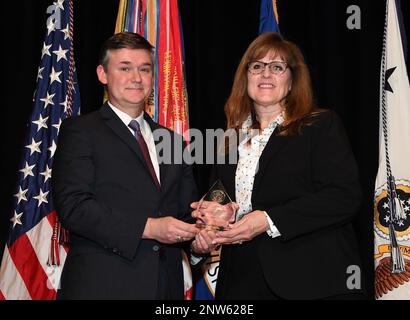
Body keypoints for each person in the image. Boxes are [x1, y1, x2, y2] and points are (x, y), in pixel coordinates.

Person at [191, 32, 363, 300]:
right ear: (245, 76)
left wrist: (268, 220)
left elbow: (344, 197)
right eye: (257, 66)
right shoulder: (228, 139)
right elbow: (222, 203)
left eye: (277, 67)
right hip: (241, 280)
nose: (266, 74)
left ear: (293, 79)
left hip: (311, 279)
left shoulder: (320, 125)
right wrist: (209, 228)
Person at [52, 32, 198, 299]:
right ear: (102, 74)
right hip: (104, 286)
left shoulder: (174, 142)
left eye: (145, 69)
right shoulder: (81, 131)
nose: (137, 78)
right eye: (125, 68)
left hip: (166, 288)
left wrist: (204, 232)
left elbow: (185, 215)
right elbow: (74, 207)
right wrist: (150, 228)